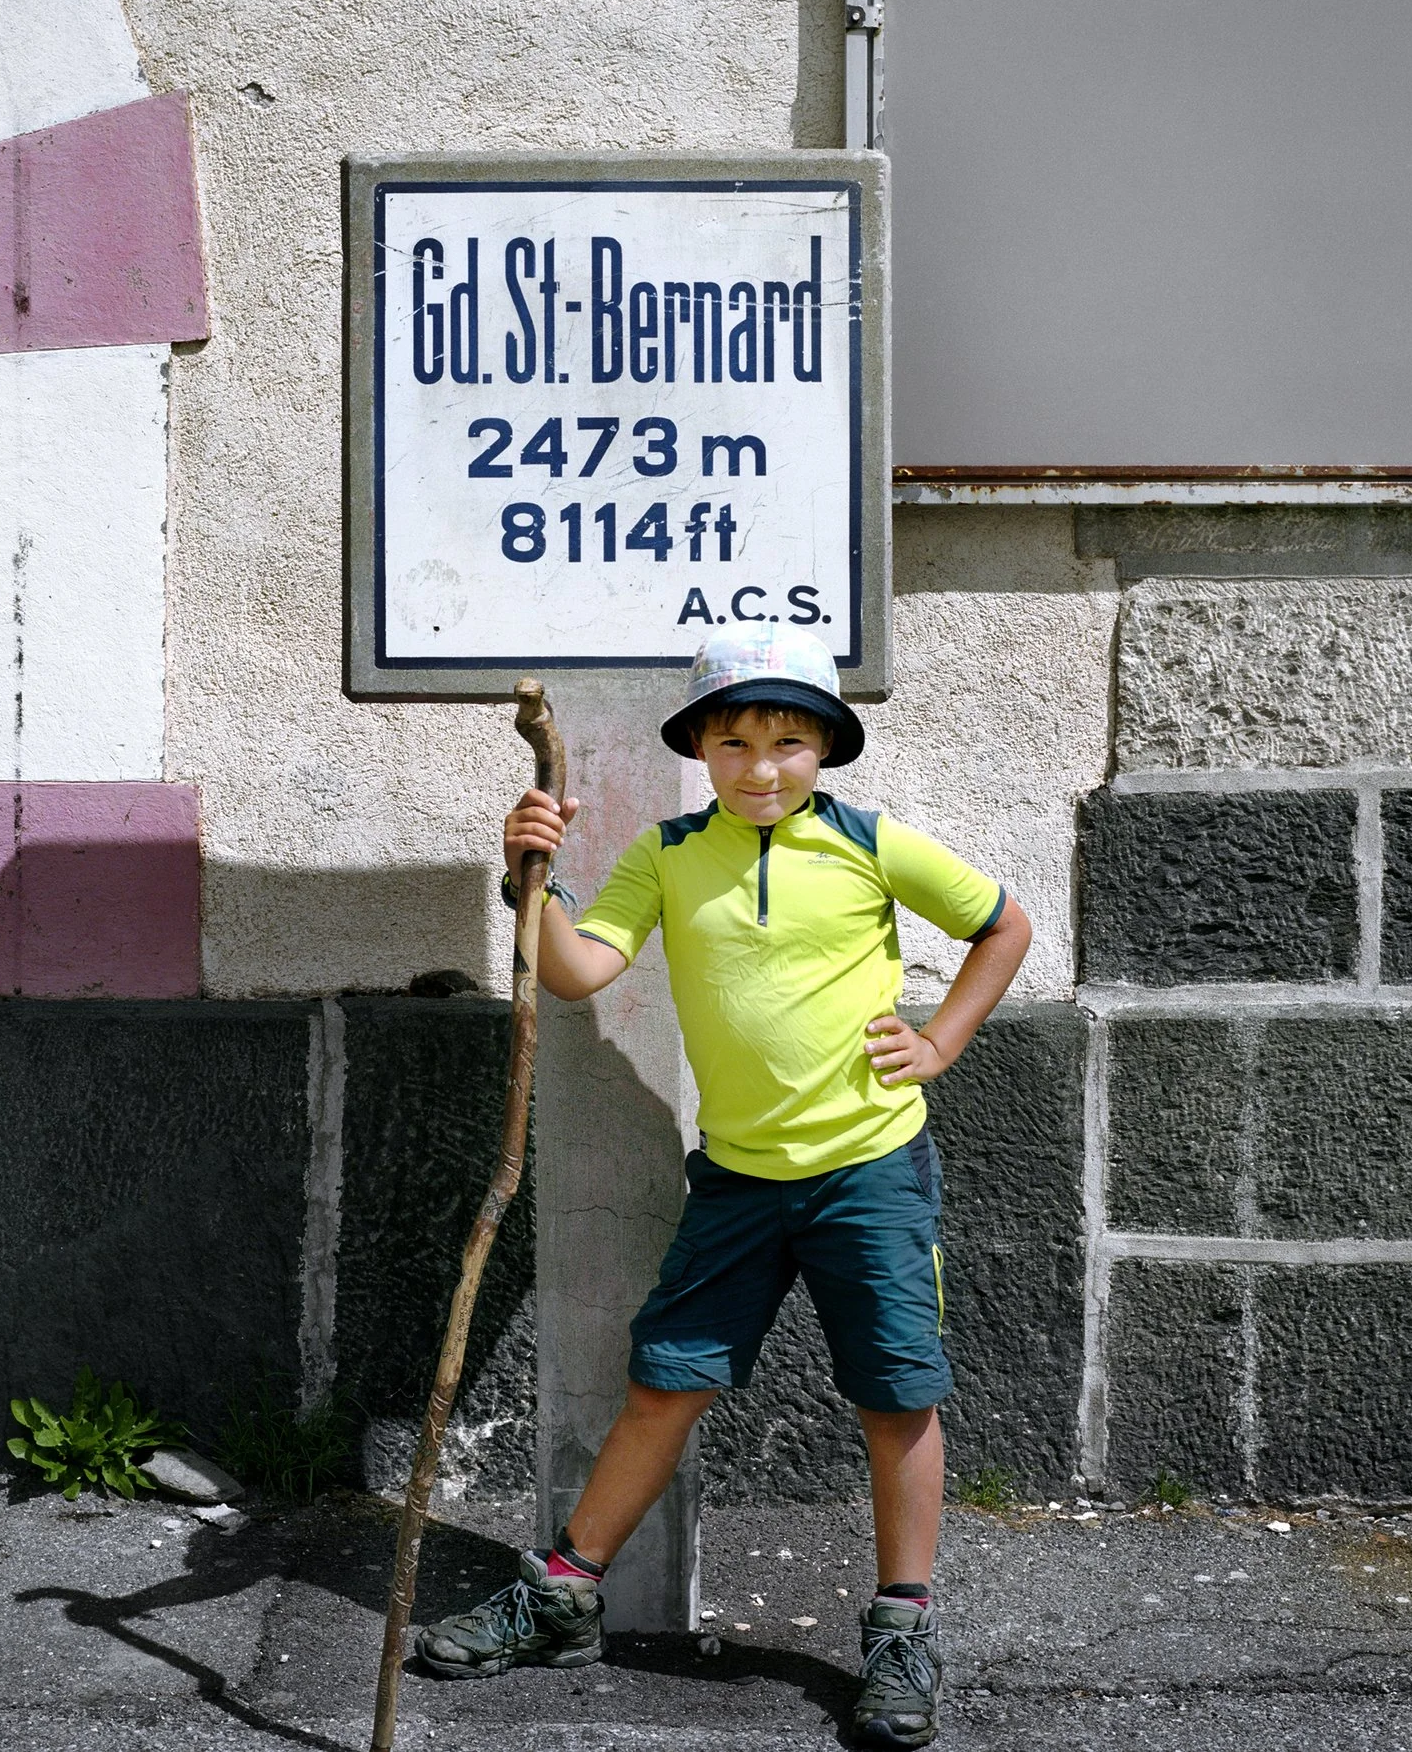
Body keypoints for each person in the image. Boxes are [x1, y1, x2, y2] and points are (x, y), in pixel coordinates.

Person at [413, 622, 1032, 1750]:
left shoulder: (872, 844)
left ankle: (901, 1627)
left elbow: (1001, 925)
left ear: (825, 749)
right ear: (699, 743)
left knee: (895, 1393)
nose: (760, 765)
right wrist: (527, 876)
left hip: (869, 1172)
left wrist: (939, 1041)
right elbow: (575, 969)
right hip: (738, 1183)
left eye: (788, 741)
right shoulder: (666, 853)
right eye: (735, 739)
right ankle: (561, 1595)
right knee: (667, 1380)